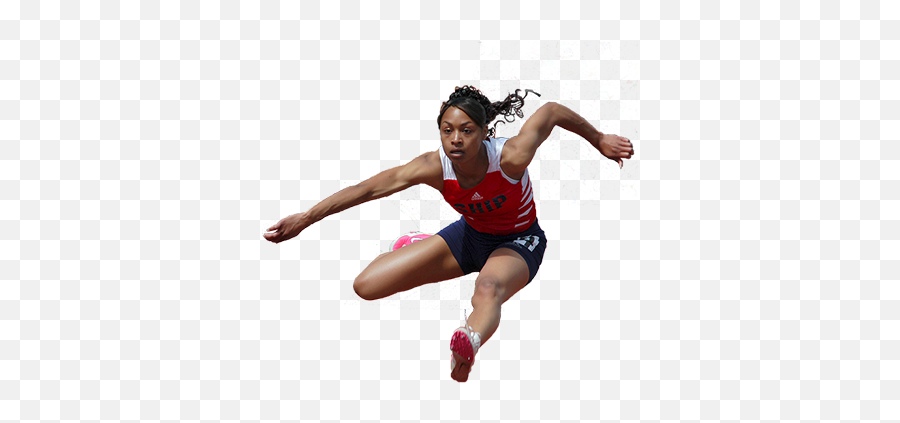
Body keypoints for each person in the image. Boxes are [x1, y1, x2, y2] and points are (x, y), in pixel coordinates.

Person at [264, 85, 635, 382]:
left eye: (466, 131)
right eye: (447, 131)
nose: (455, 139)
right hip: (468, 237)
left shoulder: (510, 157)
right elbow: (367, 190)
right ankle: (420, 246)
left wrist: (599, 139)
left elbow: (552, 111)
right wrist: (306, 218)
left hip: (518, 242)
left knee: (488, 289)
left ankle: (468, 342)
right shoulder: (433, 167)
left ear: (484, 132)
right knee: (366, 287)